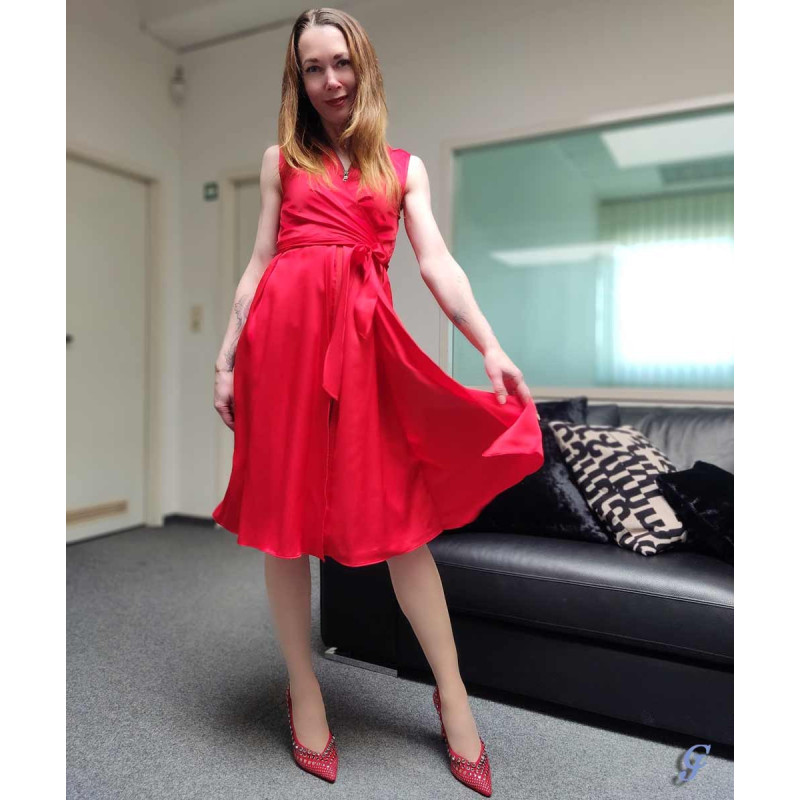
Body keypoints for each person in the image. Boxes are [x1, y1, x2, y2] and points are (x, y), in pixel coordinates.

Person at [212, 8, 544, 796]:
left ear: (363, 66)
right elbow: (259, 263)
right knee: (285, 526)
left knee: (402, 527)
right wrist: (226, 357)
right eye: (312, 68)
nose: (329, 80)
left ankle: (452, 693)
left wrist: (491, 346)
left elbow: (438, 266)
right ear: (298, 80)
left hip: (364, 355)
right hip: (280, 354)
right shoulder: (280, 162)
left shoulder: (403, 168)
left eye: (340, 62)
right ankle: (303, 688)